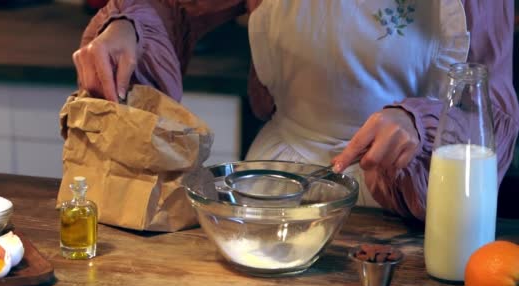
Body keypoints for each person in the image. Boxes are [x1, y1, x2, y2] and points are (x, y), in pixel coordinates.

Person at [73, 0, 518, 220]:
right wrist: (126, 26)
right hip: (275, 185)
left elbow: (489, 110)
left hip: (401, 203)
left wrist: (422, 125)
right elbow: (171, 6)